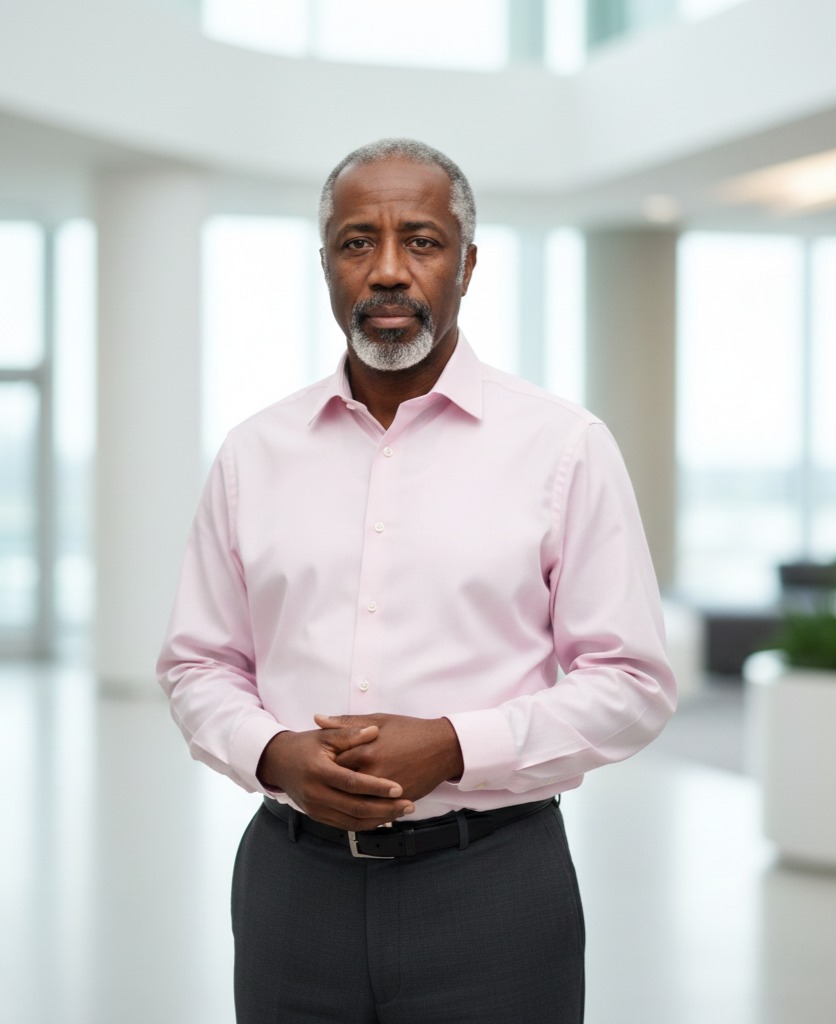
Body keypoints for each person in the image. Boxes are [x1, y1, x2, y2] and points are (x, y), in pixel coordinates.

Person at [157, 138, 676, 1024]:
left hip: (494, 888)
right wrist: (274, 753)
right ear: (326, 263)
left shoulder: (563, 446)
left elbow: (633, 682)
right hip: (292, 888)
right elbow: (197, 662)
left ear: (467, 265)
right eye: (358, 242)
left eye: (422, 242)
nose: (389, 270)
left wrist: (455, 744)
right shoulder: (254, 453)